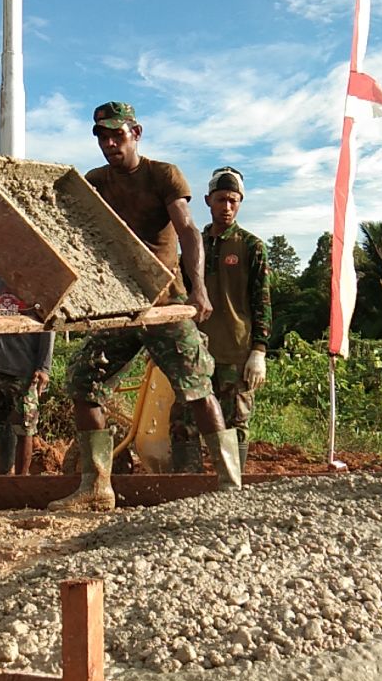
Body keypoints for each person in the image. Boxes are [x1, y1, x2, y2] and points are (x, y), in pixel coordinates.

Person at [51, 101, 244, 512]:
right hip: (119, 303)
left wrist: (198, 289)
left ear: (135, 133)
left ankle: (230, 486)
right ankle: (97, 487)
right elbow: (72, 237)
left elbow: (188, 231)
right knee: (84, 382)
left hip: (164, 301)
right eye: (102, 137)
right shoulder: (96, 181)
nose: (109, 144)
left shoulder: (162, 175)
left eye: (117, 135)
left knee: (197, 388)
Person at [169, 167, 271, 472]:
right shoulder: (193, 246)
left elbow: (262, 300)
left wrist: (260, 350)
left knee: (234, 423)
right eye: (220, 200)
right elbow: (178, 294)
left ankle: (230, 492)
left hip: (235, 352)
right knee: (183, 422)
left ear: (240, 203)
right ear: (207, 201)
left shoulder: (252, 247)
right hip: (195, 350)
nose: (226, 207)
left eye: (233, 200)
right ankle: (187, 486)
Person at [0, 273, 54, 476]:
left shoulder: (40, 281)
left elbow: (50, 324)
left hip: (24, 371)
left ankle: (19, 482)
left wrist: (43, 368)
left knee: (24, 429)